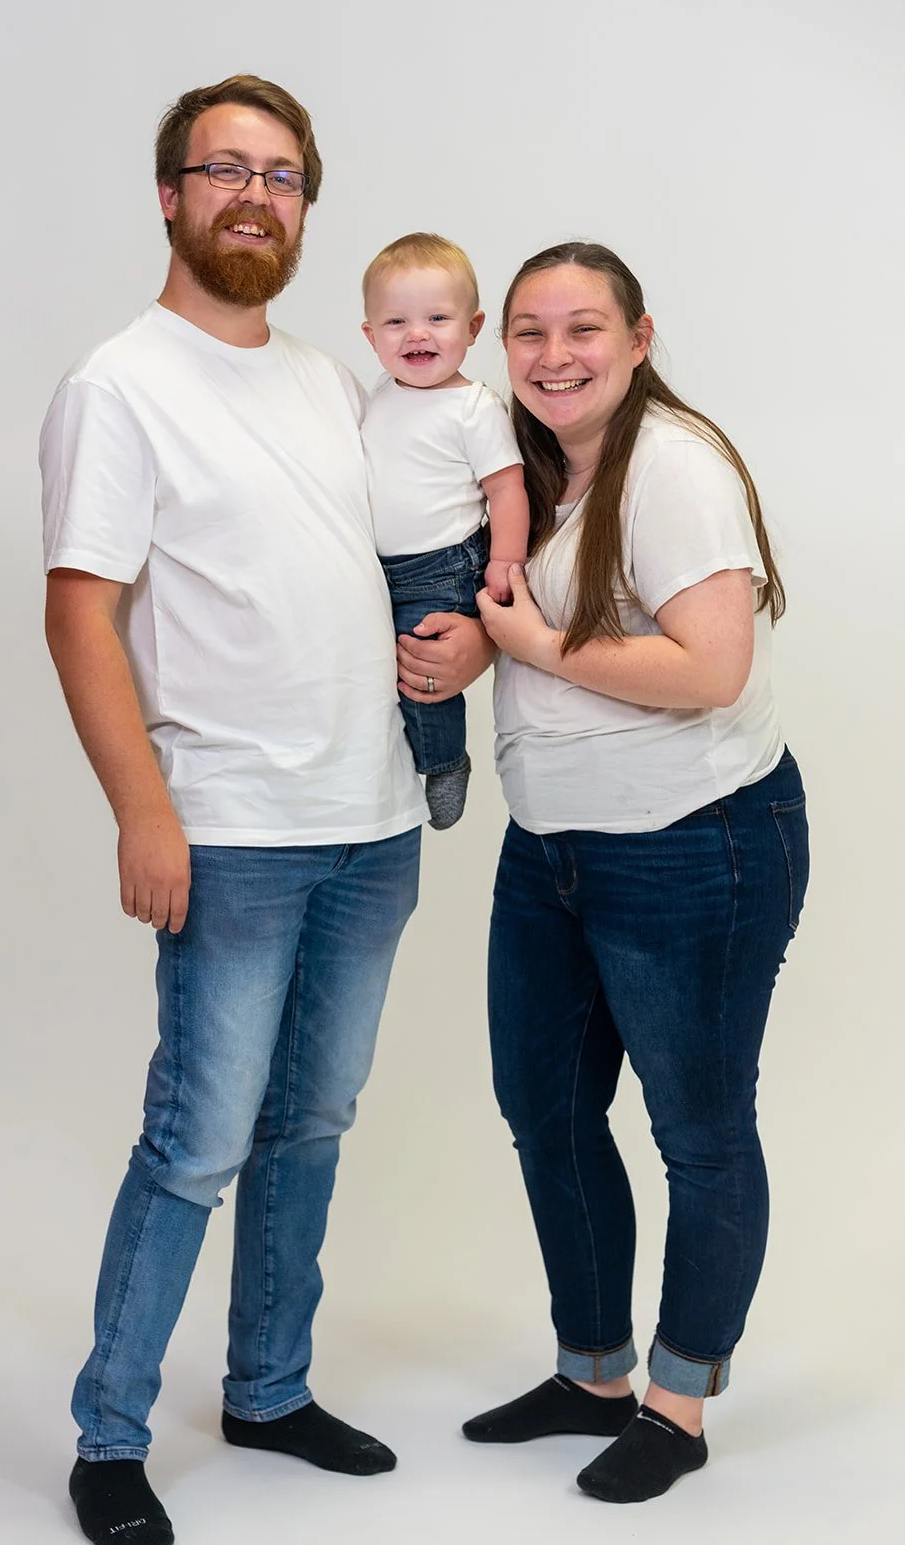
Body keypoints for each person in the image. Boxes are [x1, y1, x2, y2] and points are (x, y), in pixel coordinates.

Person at [39, 74, 489, 1545]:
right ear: (167, 193)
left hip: (367, 822)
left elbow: (394, 554)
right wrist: (141, 810)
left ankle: (268, 1388)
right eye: (223, 168)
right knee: (197, 1140)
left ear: (304, 207)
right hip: (228, 827)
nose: (254, 194)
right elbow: (81, 615)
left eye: (282, 174)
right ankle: (109, 1437)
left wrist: (469, 637)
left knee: (312, 1124)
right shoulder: (119, 384)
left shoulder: (320, 375)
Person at [464, 242, 809, 1504]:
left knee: (699, 1134)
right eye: (528, 332)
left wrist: (532, 644)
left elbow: (708, 668)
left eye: (581, 329)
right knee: (544, 1110)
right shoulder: (531, 472)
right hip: (549, 850)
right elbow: (514, 635)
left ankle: (674, 1401)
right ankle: (591, 1371)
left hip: (693, 845)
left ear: (639, 337)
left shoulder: (672, 468)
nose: (553, 355)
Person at [360, 234, 527, 829]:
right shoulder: (379, 394)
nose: (417, 334)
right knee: (375, 667)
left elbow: (506, 489)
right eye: (396, 321)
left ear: (474, 326)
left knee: (422, 664)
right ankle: (392, 762)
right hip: (377, 566)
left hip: (444, 565)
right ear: (370, 335)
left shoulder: (472, 407)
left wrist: (504, 563)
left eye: (437, 318)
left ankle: (445, 760)